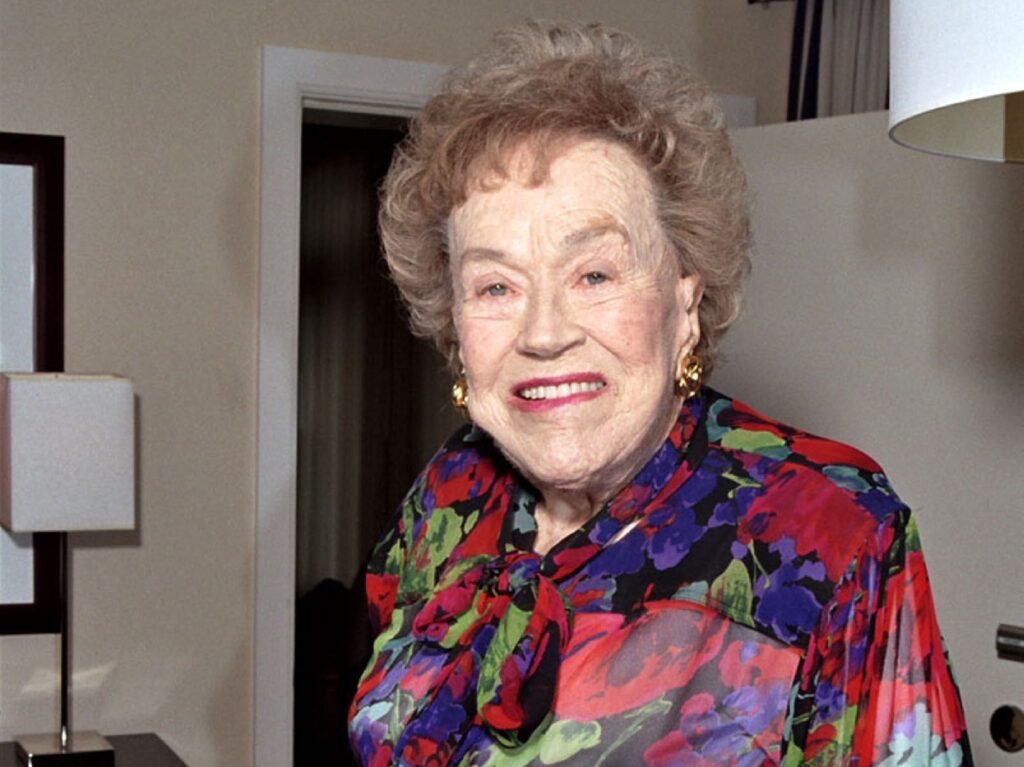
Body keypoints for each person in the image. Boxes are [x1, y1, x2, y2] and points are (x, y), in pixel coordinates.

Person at [348, 21, 972, 766]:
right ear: (455, 326)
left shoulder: (835, 530)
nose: (543, 332)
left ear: (683, 304)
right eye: (495, 285)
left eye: (596, 274)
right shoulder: (447, 496)